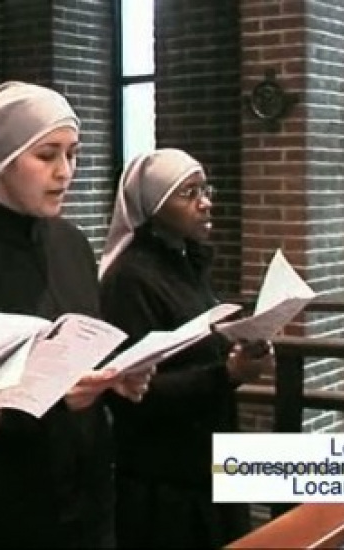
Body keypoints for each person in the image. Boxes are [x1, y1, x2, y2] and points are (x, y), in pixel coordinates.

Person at [0, 81, 151, 548]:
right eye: (47, 155)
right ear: (1, 157)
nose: (65, 172)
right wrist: (52, 395)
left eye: (73, 154)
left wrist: (114, 381)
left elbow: (79, 350)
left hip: (84, 498)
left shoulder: (72, 244)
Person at [98, 148, 276, 548]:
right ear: (155, 205)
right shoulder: (129, 279)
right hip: (162, 483)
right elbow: (131, 391)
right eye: (189, 193)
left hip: (207, 462)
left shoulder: (186, 263)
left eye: (205, 189)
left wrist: (240, 352)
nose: (206, 202)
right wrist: (225, 375)